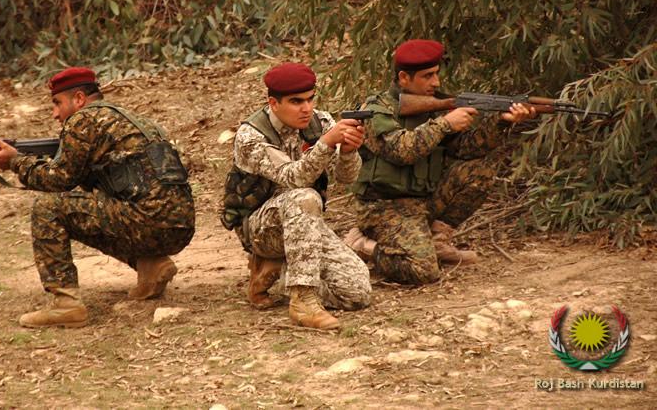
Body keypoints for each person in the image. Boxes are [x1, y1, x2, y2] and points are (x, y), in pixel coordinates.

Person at [0, 67, 195, 328]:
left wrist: (16, 162)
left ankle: (66, 305)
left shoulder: (83, 120)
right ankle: (151, 265)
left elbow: (58, 180)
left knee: (49, 208)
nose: (54, 113)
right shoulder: (131, 119)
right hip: (180, 226)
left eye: (57, 103)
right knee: (91, 206)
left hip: (147, 220)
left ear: (79, 99)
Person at [345, 40, 536, 285]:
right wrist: (445, 124)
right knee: (423, 272)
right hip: (383, 207)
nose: (436, 82)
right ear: (404, 78)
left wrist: (502, 122)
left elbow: (468, 149)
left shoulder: (435, 106)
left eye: (436, 74)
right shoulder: (377, 109)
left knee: (480, 169)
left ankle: (436, 242)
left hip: (424, 201)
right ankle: (363, 245)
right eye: (427, 76)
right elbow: (400, 151)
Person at [220, 62, 372, 330]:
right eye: (296, 101)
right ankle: (303, 300)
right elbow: (294, 177)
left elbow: (347, 178)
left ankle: (277, 276)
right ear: (273, 103)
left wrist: (348, 151)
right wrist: (326, 144)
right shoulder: (251, 135)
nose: (307, 108)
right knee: (303, 197)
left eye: (311, 98)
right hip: (261, 229)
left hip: (305, 226)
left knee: (357, 291)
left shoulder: (321, 122)